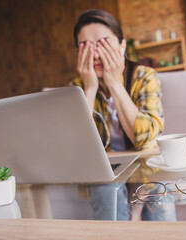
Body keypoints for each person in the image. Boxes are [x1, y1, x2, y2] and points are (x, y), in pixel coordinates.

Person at [70, 9, 164, 152]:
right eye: (85, 46)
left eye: (103, 43)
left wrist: (114, 83)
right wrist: (89, 89)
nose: (95, 54)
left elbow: (147, 142)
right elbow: (74, 147)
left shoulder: (144, 77)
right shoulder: (76, 88)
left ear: (122, 46)